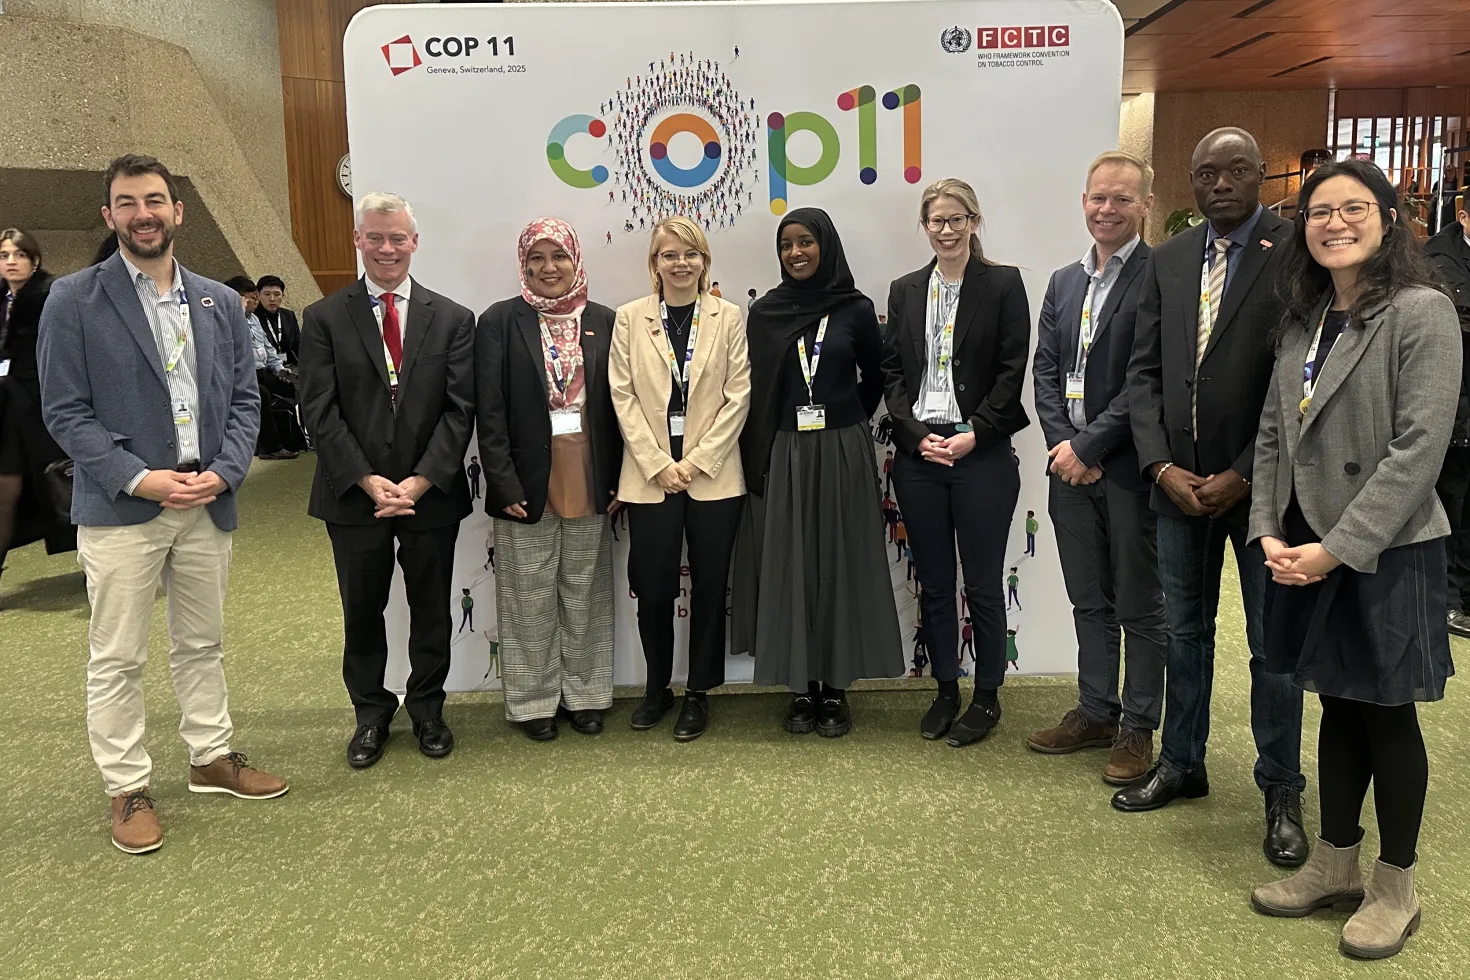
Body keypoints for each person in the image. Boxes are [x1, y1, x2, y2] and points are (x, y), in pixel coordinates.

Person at [37, 154, 287, 855]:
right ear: (109, 215)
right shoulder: (73, 300)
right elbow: (64, 411)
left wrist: (227, 470)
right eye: (127, 202)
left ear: (178, 211)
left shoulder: (215, 299)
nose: (143, 213)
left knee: (201, 642)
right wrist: (138, 478)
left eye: (155, 200)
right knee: (117, 656)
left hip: (207, 499)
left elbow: (244, 399)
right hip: (123, 505)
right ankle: (128, 785)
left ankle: (211, 756)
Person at [1246, 159, 1459, 961]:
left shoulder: (1420, 310)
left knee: (1386, 712)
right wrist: (1268, 527)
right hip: (1299, 542)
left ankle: (1394, 886)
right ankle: (1334, 863)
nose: (1334, 223)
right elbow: (1273, 434)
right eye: (1319, 211)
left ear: (1389, 217)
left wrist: (1336, 550)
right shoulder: (1303, 319)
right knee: (1334, 702)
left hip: (1383, 550)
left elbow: (1419, 449)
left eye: (1353, 208)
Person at [1117, 127, 1308, 868]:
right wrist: (1160, 466)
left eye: (1235, 170)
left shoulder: (1293, 251)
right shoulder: (1166, 259)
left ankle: (1281, 788)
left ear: (1262, 174)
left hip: (1260, 490)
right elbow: (1142, 375)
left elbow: (1299, 379)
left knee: (1272, 648)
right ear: (1189, 184)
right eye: (1205, 173)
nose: (1220, 183)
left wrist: (1246, 473)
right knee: (1187, 633)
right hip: (1178, 487)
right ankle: (1183, 763)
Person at [298, 191, 475, 769]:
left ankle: (428, 711)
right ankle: (370, 716)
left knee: (432, 611)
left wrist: (422, 480)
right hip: (354, 498)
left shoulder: (451, 318)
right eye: (375, 237)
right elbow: (318, 411)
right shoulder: (323, 318)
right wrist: (369, 480)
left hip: (430, 498)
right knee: (362, 612)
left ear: (414, 243)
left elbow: (459, 411)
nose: (387, 248)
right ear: (358, 241)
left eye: (397, 237)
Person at [731, 208, 902, 737]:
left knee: (840, 561)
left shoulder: (855, 308)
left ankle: (836, 688)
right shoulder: (765, 313)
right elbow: (757, 393)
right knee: (793, 563)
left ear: (826, 246)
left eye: (806, 241)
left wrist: (848, 414)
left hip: (843, 452)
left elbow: (877, 375)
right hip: (785, 452)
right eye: (787, 244)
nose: (796, 253)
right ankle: (801, 687)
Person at [1028, 150, 1168, 786]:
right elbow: (1047, 370)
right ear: (1083, 201)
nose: (1106, 209)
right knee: (1089, 598)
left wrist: (1091, 447)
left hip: (1128, 466)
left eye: (1120, 199)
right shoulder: (1063, 281)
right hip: (1069, 467)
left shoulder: (1161, 276)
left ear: (1144, 206)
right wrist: (1064, 444)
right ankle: (1095, 711)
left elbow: (1150, 378)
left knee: (1139, 604)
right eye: (1097, 198)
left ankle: (1139, 726)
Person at [882, 177, 1030, 748]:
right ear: (925, 227)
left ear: (974, 221)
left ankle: (987, 695)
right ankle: (946, 688)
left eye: (956, 219)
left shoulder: (1003, 284)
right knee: (937, 584)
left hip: (981, 455)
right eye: (935, 221)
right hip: (920, 454)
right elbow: (892, 373)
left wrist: (975, 433)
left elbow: (1012, 370)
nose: (946, 230)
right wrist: (915, 434)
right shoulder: (904, 289)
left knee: (985, 584)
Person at [475, 217, 622, 741]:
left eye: (557, 256)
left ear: (575, 259)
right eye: (536, 258)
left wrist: (619, 476)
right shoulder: (499, 321)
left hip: (590, 472)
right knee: (527, 597)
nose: (548, 268)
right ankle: (534, 700)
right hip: (526, 482)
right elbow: (488, 412)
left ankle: (585, 695)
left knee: (585, 594)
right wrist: (503, 483)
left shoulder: (604, 320)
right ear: (523, 265)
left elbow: (621, 406)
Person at [609, 216, 750, 741]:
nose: (681, 263)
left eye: (690, 254)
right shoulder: (630, 318)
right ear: (655, 262)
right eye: (670, 254)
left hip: (712, 477)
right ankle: (656, 688)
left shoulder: (728, 316)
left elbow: (739, 396)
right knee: (654, 587)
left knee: (711, 586)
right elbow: (622, 397)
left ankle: (698, 692)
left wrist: (695, 462)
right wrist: (658, 464)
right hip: (650, 477)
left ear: (704, 260)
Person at [0, 229, 75, 602]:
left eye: (19, 254)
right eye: (4, 255)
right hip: (6, 408)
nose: (11, 261)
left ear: (35, 260)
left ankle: (93, 560)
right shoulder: (2, 302)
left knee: (61, 484)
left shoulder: (49, 296)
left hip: (43, 405)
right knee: (5, 489)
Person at [1426, 195, 1470, 637]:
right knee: (1451, 506)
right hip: (1454, 410)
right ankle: (1448, 600)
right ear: (1463, 216)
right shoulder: (1438, 260)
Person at [225, 276, 297, 461]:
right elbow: (236, 342)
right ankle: (269, 448)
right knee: (262, 395)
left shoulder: (254, 319)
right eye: (253, 298)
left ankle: (297, 439)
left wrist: (278, 368)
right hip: (238, 376)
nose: (256, 302)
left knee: (291, 386)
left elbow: (267, 346)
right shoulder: (227, 317)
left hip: (261, 371)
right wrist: (238, 309)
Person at [255, 275, 300, 367]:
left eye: (277, 294)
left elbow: (298, 344)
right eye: (267, 294)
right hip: (265, 367)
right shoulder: (253, 317)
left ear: (283, 296)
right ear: (258, 295)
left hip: (290, 365)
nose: (272, 299)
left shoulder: (288, 315)